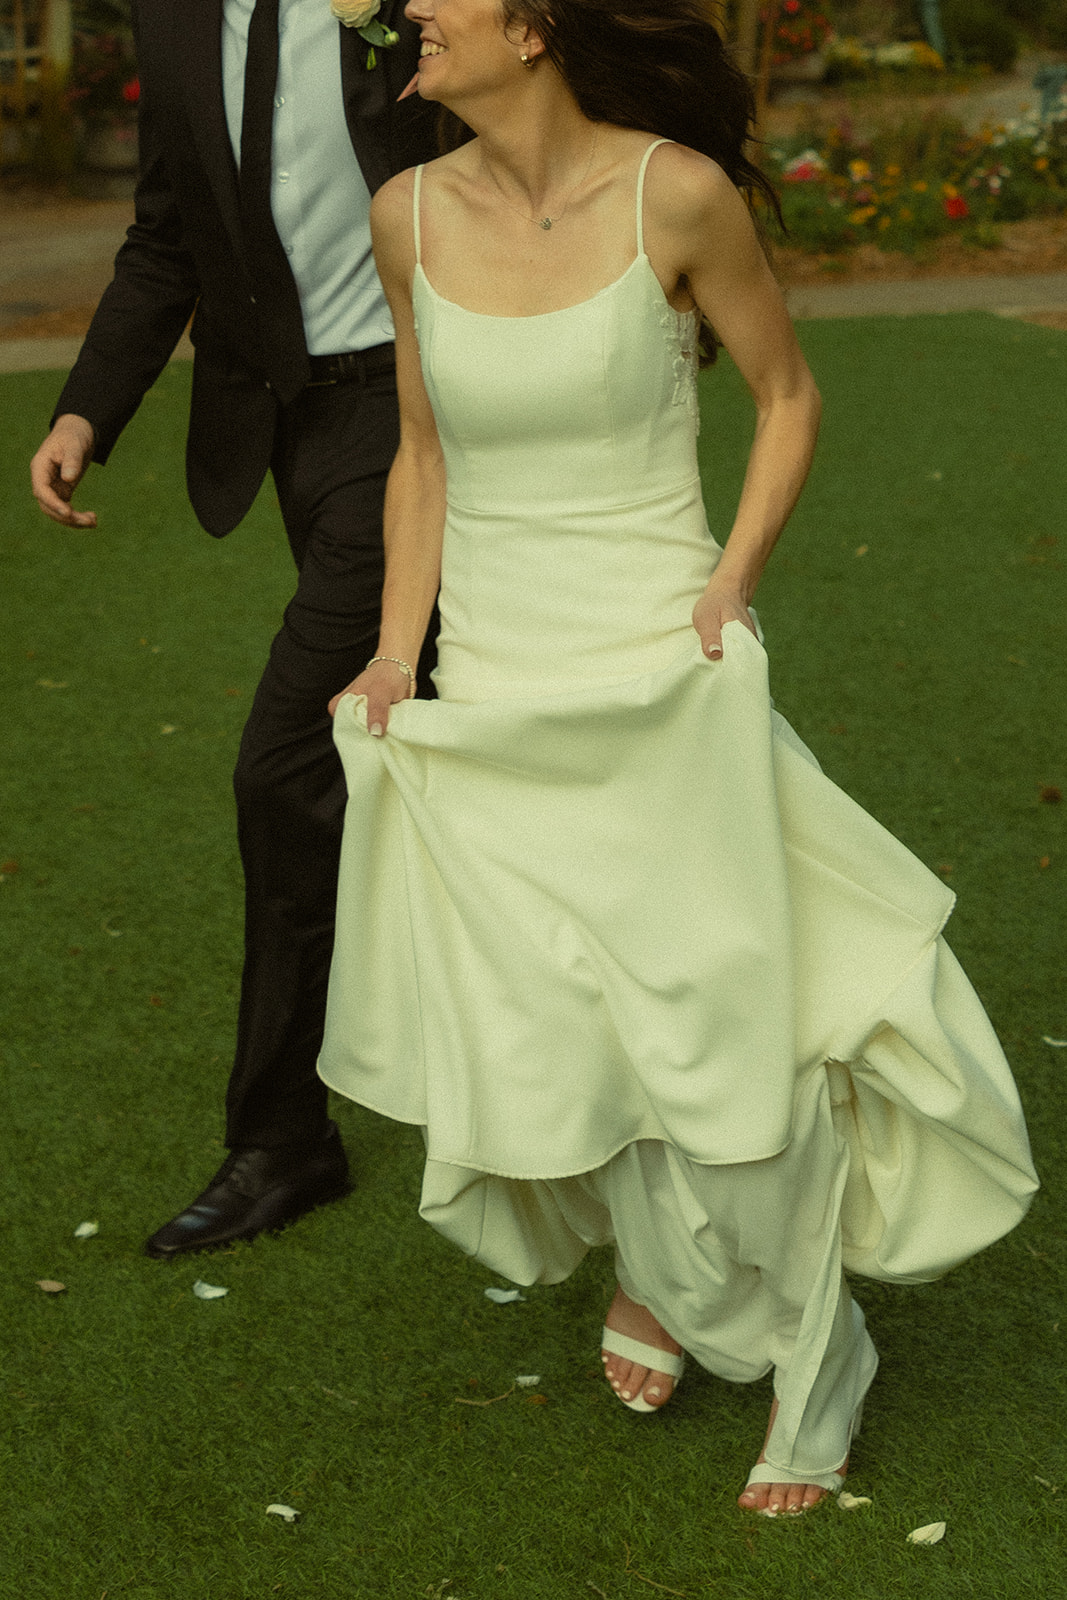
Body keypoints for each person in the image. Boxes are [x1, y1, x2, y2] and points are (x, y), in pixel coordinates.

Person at [316, 0, 1038, 1514]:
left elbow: (785, 397)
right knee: (570, 1025)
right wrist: (396, 653)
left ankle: (811, 1345)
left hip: (655, 669)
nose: (401, 19)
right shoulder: (403, 212)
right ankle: (658, 1278)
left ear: (530, 25)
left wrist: (727, 588)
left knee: (717, 1023)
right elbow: (423, 454)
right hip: (501, 679)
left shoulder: (675, 194)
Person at [29, 0, 442, 1259]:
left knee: (288, 768)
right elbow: (168, 238)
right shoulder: (172, 19)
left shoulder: (407, 1)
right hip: (283, 428)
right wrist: (86, 413)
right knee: (422, 746)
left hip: (421, 409)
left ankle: (283, 1137)